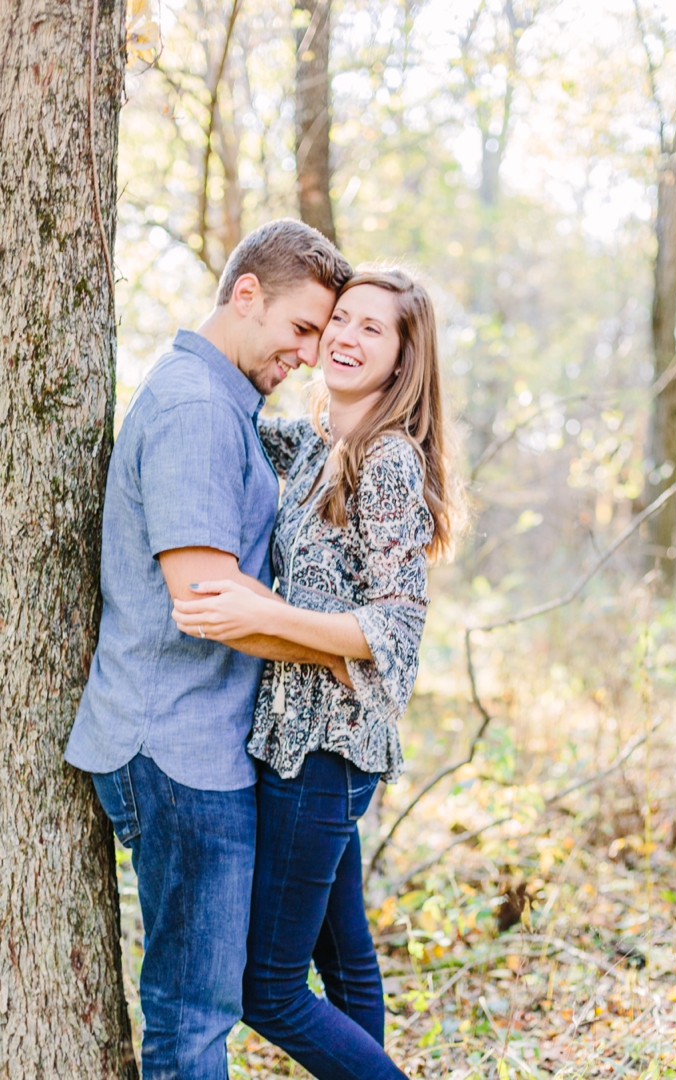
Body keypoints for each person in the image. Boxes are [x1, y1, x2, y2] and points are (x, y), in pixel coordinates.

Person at [64, 219, 353, 1079]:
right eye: (302, 328)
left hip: (202, 743)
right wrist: (339, 653)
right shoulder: (195, 407)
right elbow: (204, 604)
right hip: (178, 749)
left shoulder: (226, 406)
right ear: (247, 294)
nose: (307, 352)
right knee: (193, 1017)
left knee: (207, 1005)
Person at [172, 267, 455, 1080]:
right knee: (346, 958)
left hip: (323, 753)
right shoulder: (315, 444)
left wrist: (261, 616)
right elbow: (225, 416)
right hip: (310, 745)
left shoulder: (389, 461)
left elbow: (396, 630)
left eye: (373, 329)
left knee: (268, 990)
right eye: (341, 319)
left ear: (404, 359)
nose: (345, 336)